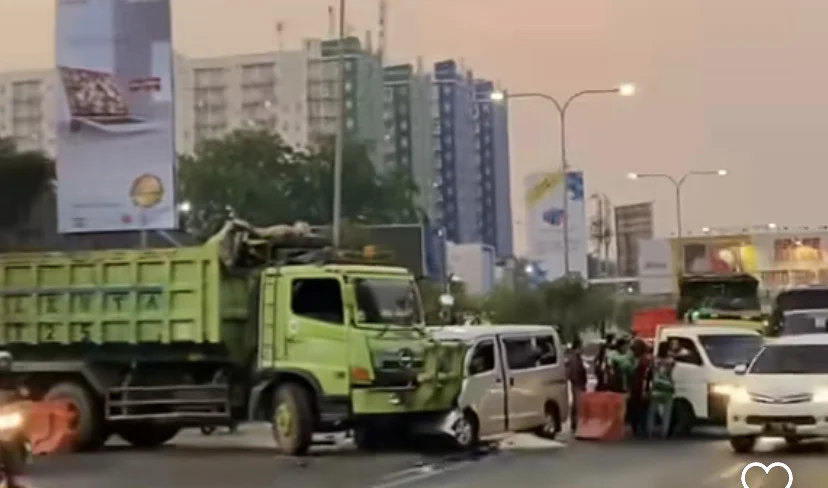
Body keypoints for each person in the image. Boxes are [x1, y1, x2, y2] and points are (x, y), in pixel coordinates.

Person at [647, 342, 676, 439]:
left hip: (656, 387)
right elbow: (671, 372)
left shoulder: (654, 359)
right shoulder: (671, 360)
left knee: (652, 412)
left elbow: (650, 373)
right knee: (666, 413)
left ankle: (650, 431)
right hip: (667, 387)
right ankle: (664, 432)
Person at [628, 340, 652, 438]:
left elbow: (645, 376)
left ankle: (639, 429)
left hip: (639, 387)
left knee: (639, 408)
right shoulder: (641, 359)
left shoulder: (643, 360)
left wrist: (645, 390)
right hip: (638, 387)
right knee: (640, 408)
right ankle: (639, 428)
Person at [567, 337, 588, 431]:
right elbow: (574, 371)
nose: (583, 348)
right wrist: (579, 383)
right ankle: (576, 423)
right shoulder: (575, 357)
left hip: (577, 383)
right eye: (581, 346)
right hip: (578, 383)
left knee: (576, 404)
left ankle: (574, 423)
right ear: (578, 346)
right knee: (577, 404)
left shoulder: (575, 356)